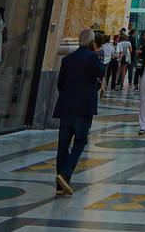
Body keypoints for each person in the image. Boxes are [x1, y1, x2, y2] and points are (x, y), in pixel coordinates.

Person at [53, 28, 104, 195]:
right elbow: (101, 74)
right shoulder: (93, 58)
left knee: (63, 146)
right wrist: (97, 54)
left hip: (66, 107)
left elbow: (60, 84)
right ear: (91, 42)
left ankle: (60, 184)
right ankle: (66, 174)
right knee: (80, 142)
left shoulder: (67, 59)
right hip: (83, 108)